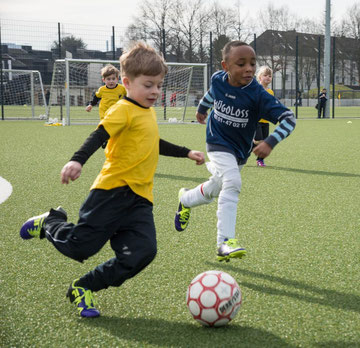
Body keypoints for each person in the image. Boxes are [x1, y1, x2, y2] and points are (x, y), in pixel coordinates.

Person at [19, 42, 205, 318]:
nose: (155, 91)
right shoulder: (122, 109)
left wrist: (186, 152)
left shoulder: (147, 111)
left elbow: (153, 142)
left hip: (140, 200)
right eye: (148, 85)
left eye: (158, 85)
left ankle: (85, 287)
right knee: (80, 248)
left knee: (142, 253)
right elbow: (99, 135)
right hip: (111, 192)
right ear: (127, 83)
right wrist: (77, 160)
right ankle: (51, 221)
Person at [174, 41, 296, 261]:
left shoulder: (258, 95)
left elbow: (289, 119)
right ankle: (224, 242)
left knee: (215, 188)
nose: (249, 68)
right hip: (217, 142)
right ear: (225, 66)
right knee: (233, 183)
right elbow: (213, 92)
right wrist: (202, 108)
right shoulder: (217, 79)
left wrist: (270, 141)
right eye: (241, 64)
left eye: (252, 63)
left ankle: (186, 199)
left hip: (240, 152)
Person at [254, 65, 274, 167]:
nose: (267, 77)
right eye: (265, 75)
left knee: (265, 143)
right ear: (260, 77)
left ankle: (260, 160)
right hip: (256, 120)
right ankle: (248, 145)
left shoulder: (271, 92)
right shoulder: (256, 89)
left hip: (265, 121)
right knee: (258, 140)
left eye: (269, 76)